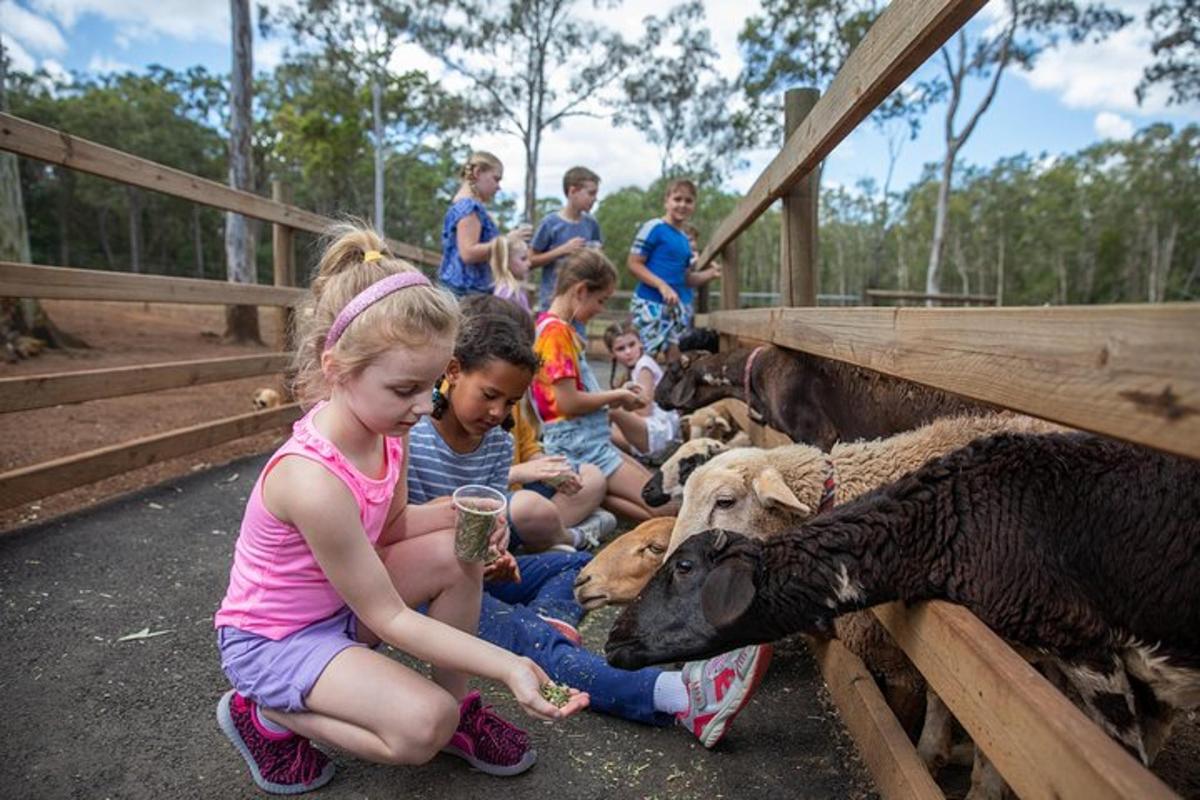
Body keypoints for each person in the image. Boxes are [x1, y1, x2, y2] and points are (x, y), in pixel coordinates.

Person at [213, 224, 586, 796]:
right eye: (406, 388)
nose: (423, 405)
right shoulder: (312, 480)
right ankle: (264, 712)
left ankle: (461, 708)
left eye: (430, 385)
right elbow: (389, 616)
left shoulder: (388, 428)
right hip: (277, 640)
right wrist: (507, 666)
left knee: (458, 549)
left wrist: (466, 517)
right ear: (335, 364)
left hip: (339, 609)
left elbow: (390, 528)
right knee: (421, 729)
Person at [475, 550, 775, 746]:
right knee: (531, 640)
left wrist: (495, 546)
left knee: (581, 563)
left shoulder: (495, 448)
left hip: (466, 565)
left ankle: (549, 619)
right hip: (436, 588)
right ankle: (684, 697)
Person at [407, 313, 616, 553]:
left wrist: (498, 542)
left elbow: (493, 513)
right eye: (489, 395)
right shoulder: (410, 434)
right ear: (453, 371)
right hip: (424, 553)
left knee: (573, 564)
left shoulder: (500, 441)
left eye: (511, 402)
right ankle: (571, 536)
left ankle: (563, 539)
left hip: (474, 556)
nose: (498, 412)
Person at [458, 295, 611, 547]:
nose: (499, 411)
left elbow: (529, 446)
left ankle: (542, 533)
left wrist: (549, 469)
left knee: (592, 476)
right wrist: (522, 472)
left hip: (521, 494)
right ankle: (569, 535)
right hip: (500, 502)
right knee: (529, 508)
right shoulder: (464, 415)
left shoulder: (510, 402)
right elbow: (468, 485)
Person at [533, 249, 674, 522]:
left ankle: (598, 499)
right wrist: (617, 396)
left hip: (588, 440)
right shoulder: (556, 334)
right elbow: (567, 402)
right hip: (580, 445)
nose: (601, 308)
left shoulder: (552, 327)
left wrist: (614, 397)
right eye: (601, 300)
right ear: (582, 290)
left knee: (656, 490)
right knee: (665, 505)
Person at [627, 179, 721, 361]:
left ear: (694, 205)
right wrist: (662, 286)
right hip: (651, 303)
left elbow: (685, 279)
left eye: (688, 201)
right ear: (666, 201)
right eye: (677, 199)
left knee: (676, 361)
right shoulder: (654, 227)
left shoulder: (685, 240)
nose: (682, 205)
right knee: (645, 359)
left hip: (676, 309)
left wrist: (710, 274)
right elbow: (633, 264)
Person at [603, 321, 681, 458]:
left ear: (640, 343)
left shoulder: (644, 366)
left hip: (658, 434)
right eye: (621, 349)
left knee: (610, 409)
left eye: (632, 345)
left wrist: (622, 399)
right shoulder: (634, 368)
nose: (628, 352)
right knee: (600, 427)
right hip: (651, 433)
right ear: (612, 353)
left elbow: (645, 410)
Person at [530, 166, 602, 310]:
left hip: (581, 303)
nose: (595, 199)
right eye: (591, 193)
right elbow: (530, 261)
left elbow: (599, 256)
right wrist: (562, 250)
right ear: (572, 191)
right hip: (552, 301)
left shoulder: (591, 224)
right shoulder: (550, 223)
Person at [440, 151, 505, 297]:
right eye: (496, 179)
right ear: (477, 172)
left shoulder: (462, 205)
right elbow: (468, 253)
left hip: (461, 291)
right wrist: (506, 242)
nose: (498, 187)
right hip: (466, 294)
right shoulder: (468, 206)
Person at [490, 233, 533, 313]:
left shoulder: (516, 290)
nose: (529, 263)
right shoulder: (509, 293)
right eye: (523, 259)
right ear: (507, 262)